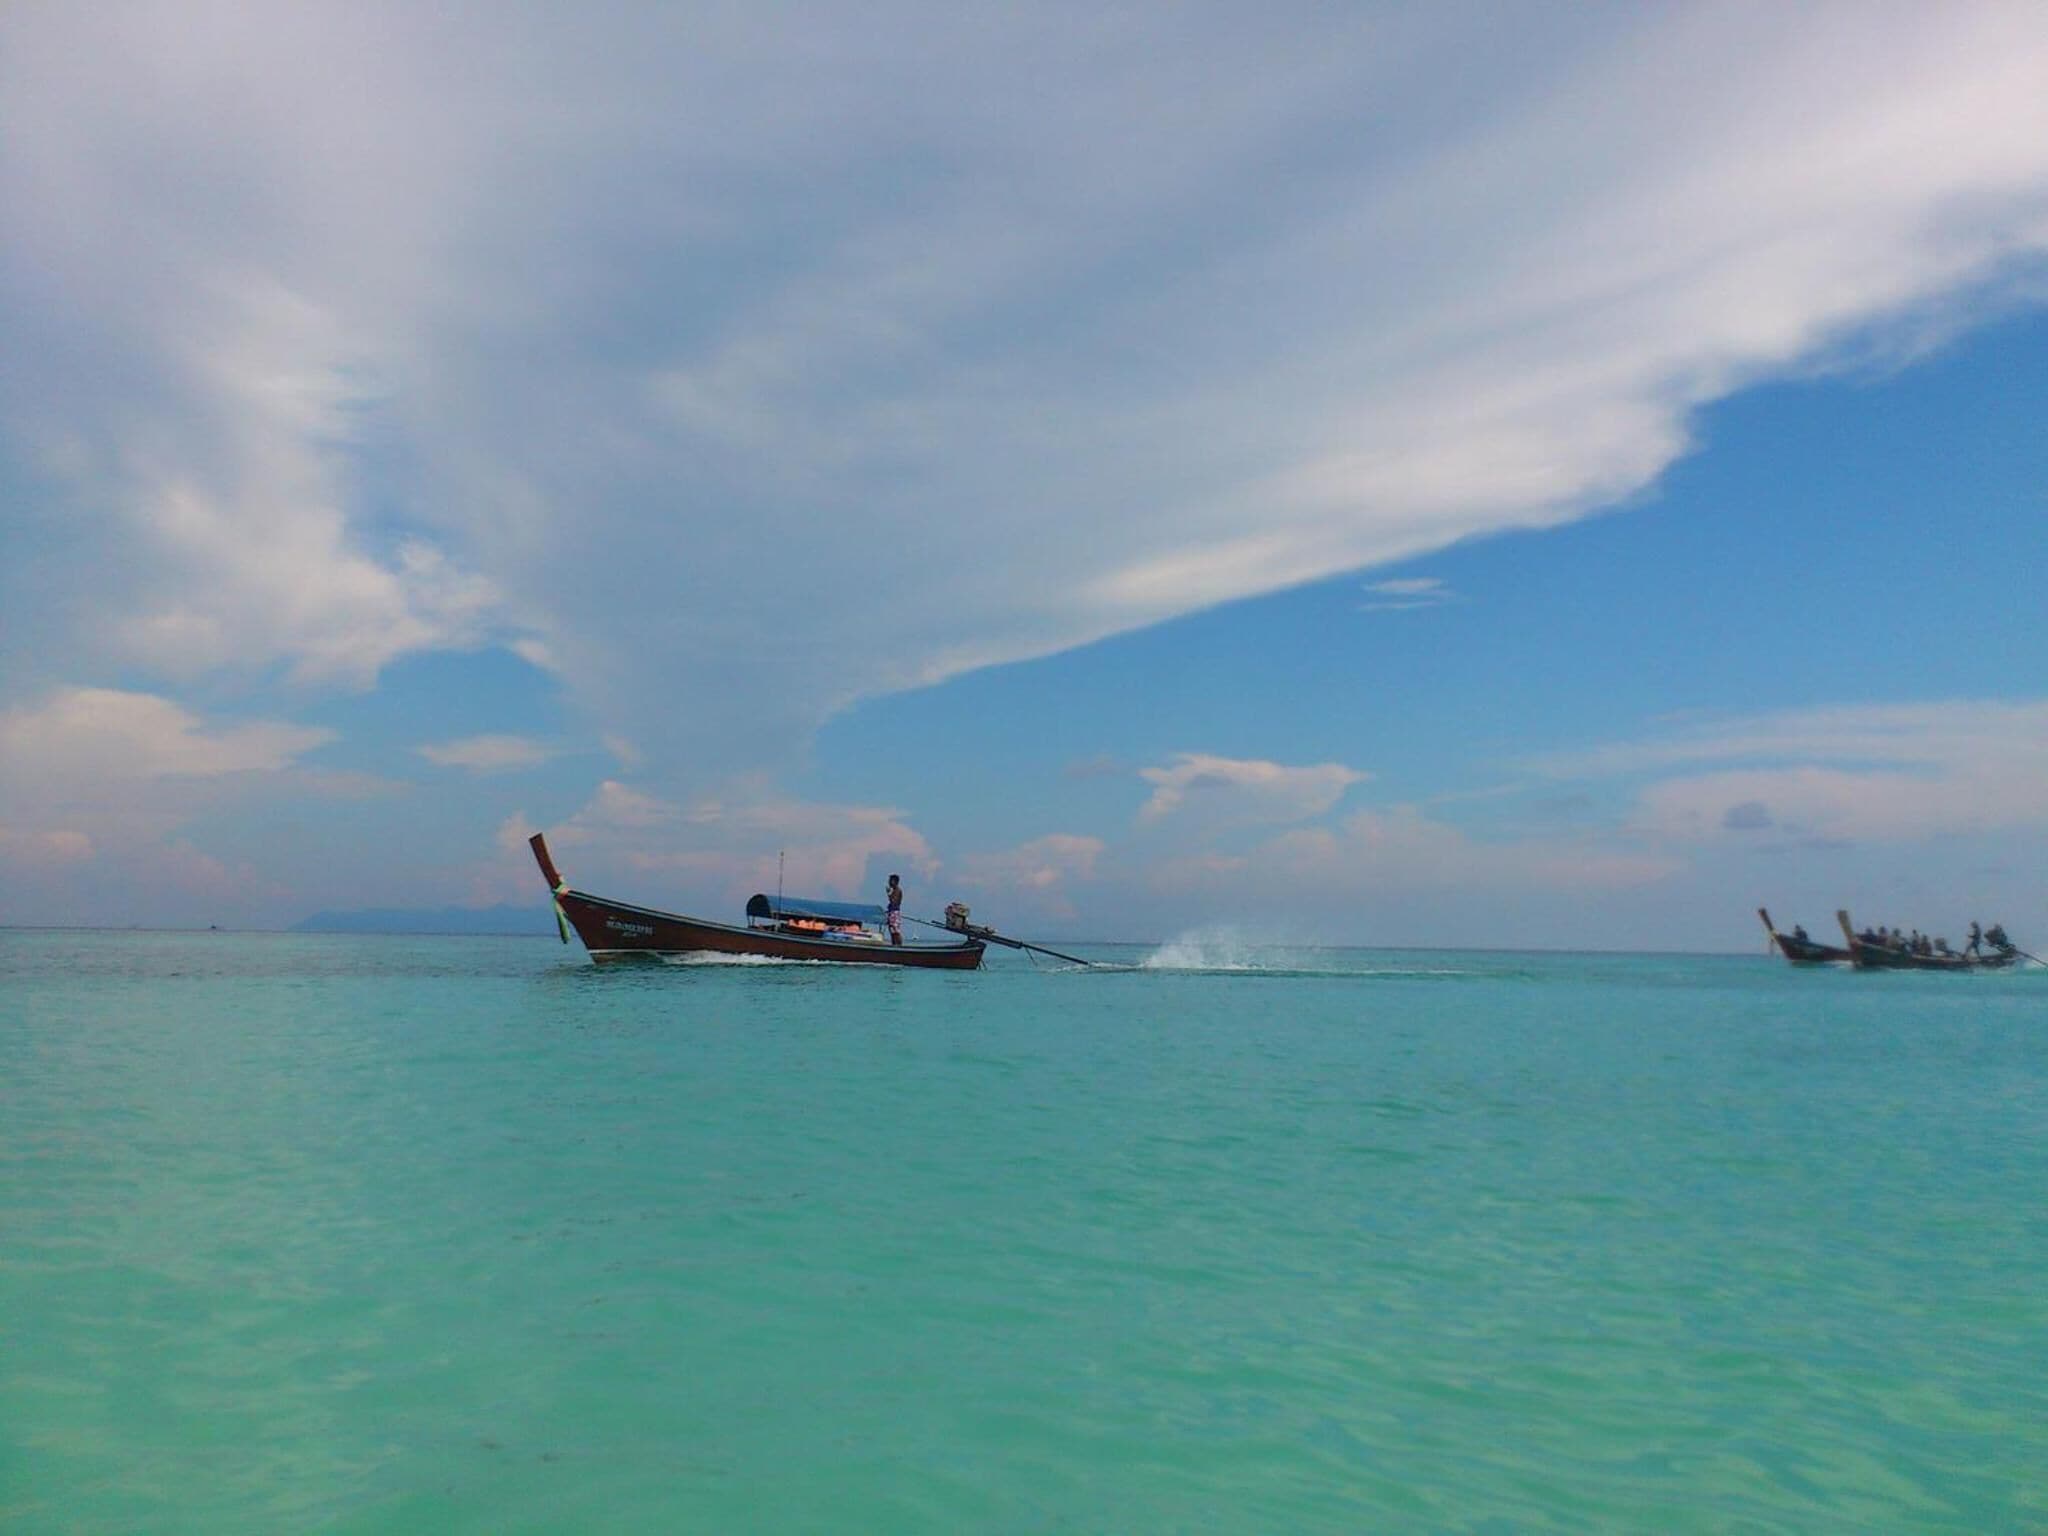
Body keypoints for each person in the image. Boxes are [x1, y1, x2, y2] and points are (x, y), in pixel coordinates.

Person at [885, 873, 903, 946]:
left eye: (890, 881)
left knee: (896, 931)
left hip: (894, 912)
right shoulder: (894, 890)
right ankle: (894, 945)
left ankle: (899, 946)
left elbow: (893, 901)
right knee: (892, 930)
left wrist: (889, 893)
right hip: (892, 912)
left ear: (895, 881)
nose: (889, 882)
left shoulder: (898, 890)